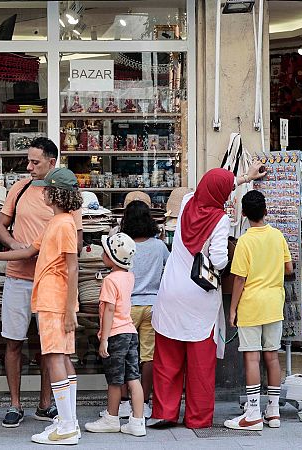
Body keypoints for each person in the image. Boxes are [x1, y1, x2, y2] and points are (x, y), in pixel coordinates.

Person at [151, 163, 265, 429]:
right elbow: (219, 259)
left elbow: (211, 187)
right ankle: (197, 418)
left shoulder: (186, 203)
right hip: (199, 298)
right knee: (200, 364)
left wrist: (244, 178)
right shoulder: (220, 219)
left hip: (170, 293)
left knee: (167, 359)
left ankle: (165, 412)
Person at [0, 168, 83, 445]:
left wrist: (69, 308)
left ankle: (67, 425)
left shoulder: (62, 224)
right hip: (54, 298)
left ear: (55, 194)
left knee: (55, 358)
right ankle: (68, 420)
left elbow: (73, 267)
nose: (42, 192)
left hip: (54, 299)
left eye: (47, 188)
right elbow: (27, 252)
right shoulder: (58, 222)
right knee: (62, 358)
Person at [224, 191, 293, 431]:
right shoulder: (277, 236)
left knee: (252, 358)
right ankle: (273, 411)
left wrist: (232, 310)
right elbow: (289, 268)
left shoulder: (244, 241)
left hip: (251, 305)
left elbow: (239, 279)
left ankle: (253, 411)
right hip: (274, 304)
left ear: (243, 214)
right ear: (266, 211)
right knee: (272, 357)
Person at [84, 233, 146, 437]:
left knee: (114, 380)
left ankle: (111, 418)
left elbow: (109, 310)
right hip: (130, 332)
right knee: (133, 378)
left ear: (112, 258)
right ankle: (137, 421)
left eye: (105, 252)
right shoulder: (129, 276)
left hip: (115, 334)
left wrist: (104, 339)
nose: (102, 254)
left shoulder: (110, 280)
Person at [113, 193, 169, 419]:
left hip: (127, 306)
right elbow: (169, 269)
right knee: (148, 356)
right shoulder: (159, 246)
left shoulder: (123, 245)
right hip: (152, 305)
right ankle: (144, 402)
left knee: (123, 354)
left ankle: (124, 401)